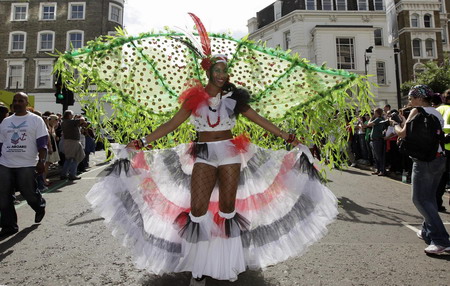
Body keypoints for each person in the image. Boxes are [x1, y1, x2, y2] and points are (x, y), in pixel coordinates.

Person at [86, 54, 338, 285]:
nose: (221, 74)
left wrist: (289, 137)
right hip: (204, 153)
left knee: (228, 209)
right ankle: (198, 268)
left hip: (229, 152)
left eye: (224, 71)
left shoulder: (234, 99)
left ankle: (226, 266)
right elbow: (171, 124)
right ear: (208, 71)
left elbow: (260, 120)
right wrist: (141, 142)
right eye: (217, 70)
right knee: (198, 209)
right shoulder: (194, 100)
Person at [393, 85, 450, 254]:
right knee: (429, 198)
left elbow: (403, 134)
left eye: (411, 98)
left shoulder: (417, 111)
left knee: (419, 199)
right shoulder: (436, 111)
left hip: (424, 161)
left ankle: (441, 240)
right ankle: (427, 232)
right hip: (439, 158)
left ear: (419, 98)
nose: (409, 101)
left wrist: (396, 124)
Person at [0, 92, 47, 238]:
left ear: (27, 104)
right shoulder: (6, 122)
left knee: (28, 193)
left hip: (26, 163)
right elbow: (1, 143)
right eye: (15, 101)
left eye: (21, 101)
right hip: (5, 162)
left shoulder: (36, 120)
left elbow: (42, 142)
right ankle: (9, 226)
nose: (17, 103)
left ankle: (39, 206)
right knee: (3, 195)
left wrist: (41, 161)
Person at [60, 110, 85, 180]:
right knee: (76, 158)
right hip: (73, 142)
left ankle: (64, 174)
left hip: (68, 141)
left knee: (68, 159)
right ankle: (72, 174)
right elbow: (82, 120)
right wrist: (81, 117)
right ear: (69, 115)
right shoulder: (70, 122)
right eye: (72, 114)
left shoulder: (64, 122)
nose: (73, 115)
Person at [436, 89, 450, 212]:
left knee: (441, 177)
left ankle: (437, 203)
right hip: (448, 147)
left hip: (440, 148)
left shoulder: (438, 110)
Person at [367, 108, 387, 176]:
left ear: (377, 113)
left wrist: (371, 118)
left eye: (375, 112)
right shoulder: (378, 119)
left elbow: (369, 124)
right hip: (374, 140)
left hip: (377, 140)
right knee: (375, 156)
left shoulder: (378, 119)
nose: (374, 114)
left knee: (379, 156)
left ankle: (382, 170)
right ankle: (378, 169)